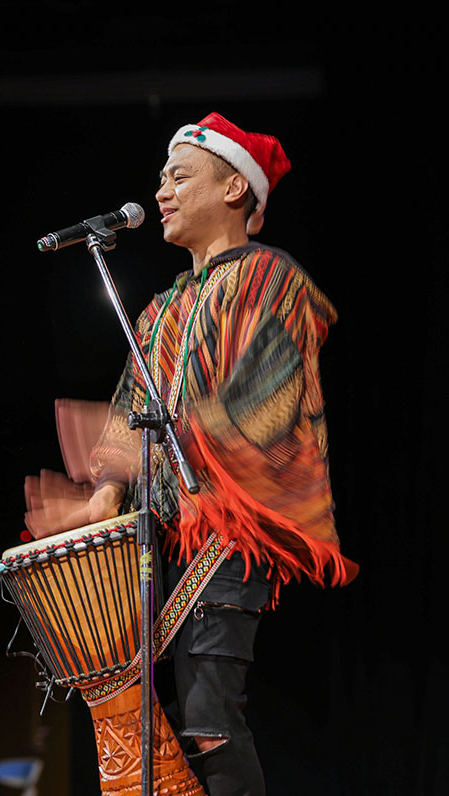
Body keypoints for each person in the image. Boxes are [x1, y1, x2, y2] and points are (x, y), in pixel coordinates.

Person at [81, 113, 357, 796]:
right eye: (161, 178)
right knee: (155, 726)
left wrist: (166, 436)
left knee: (209, 718)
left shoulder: (271, 280)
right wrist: (98, 499)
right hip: (158, 538)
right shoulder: (161, 308)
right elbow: (126, 413)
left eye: (180, 176)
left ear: (235, 187)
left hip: (229, 532)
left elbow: (265, 403)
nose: (163, 190)